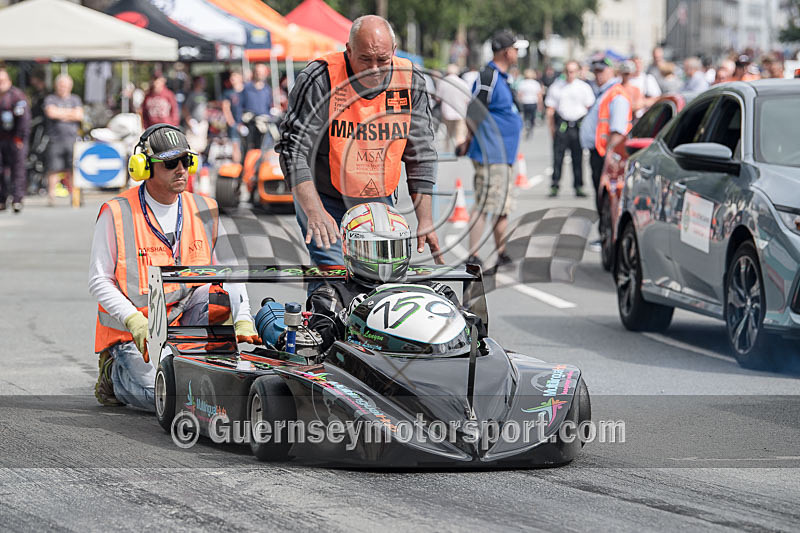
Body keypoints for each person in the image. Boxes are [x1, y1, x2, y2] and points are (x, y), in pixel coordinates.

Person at [89, 124, 258, 409]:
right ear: (143, 167)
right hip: (136, 334)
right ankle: (113, 374)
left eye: (185, 161)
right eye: (170, 163)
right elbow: (99, 280)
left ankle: (203, 363)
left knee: (222, 298)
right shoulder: (116, 212)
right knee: (160, 396)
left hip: (187, 320)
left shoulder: (205, 208)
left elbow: (230, 272)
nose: (181, 169)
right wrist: (133, 319)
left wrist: (243, 316)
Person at [277, 15, 441, 274]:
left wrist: (426, 219)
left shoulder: (409, 80)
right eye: (365, 59)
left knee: (378, 274)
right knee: (334, 275)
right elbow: (293, 149)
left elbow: (420, 152)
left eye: (382, 60)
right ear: (349, 50)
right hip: (324, 194)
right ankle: (324, 309)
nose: (374, 69)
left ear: (394, 53)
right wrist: (314, 210)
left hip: (378, 196)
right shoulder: (320, 78)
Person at [304, 202, 484, 352]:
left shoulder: (435, 291)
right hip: (368, 371)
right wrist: (346, 319)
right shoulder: (332, 296)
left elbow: (477, 332)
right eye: (373, 250)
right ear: (348, 248)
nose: (385, 259)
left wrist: (465, 323)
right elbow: (318, 345)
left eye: (393, 249)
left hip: (432, 364)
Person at [457, 30, 526, 267]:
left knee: (501, 205)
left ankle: (502, 252)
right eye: (516, 49)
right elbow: (473, 111)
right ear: (507, 52)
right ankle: (474, 256)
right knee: (486, 205)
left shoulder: (502, 77)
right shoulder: (489, 77)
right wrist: (469, 139)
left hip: (502, 155)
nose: (518, 53)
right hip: (492, 155)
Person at [579, 56, 631, 214]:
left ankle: (606, 236)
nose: (598, 75)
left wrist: (609, 157)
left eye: (602, 71)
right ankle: (604, 234)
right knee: (601, 197)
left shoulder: (616, 95)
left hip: (606, 155)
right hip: (600, 153)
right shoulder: (604, 92)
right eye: (596, 71)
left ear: (612, 71)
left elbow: (617, 131)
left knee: (607, 199)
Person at [544, 60, 595, 198]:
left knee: (578, 158)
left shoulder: (583, 87)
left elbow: (590, 109)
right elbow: (550, 109)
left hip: (578, 125)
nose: (570, 74)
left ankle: (578, 185)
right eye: (568, 71)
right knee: (558, 157)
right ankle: (555, 184)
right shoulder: (557, 87)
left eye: (573, 71)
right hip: (562, 125)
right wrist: (552, 129)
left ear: (578, 71)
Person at [44, 74, 83, 206]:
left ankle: (74, 196)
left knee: (72, 169)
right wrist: (69, 114)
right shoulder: (50, 98)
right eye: (61, 85)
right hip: (55, 139)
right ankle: (51, 196)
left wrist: (61, 114)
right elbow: (51, 112)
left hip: (72, 139)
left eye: (65, 85)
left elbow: (79, 115)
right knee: (53, 168)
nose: (63, 88)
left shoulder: (75, 99)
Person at [0, 68, 30, 213]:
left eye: (3, 81)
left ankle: (17, 199)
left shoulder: (17, 96)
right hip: (1, 139)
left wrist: (19, 137)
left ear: (9, 81)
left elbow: (24, 120)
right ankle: (2, 199)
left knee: (17, 170)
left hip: (15, 139)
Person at [436, 64, 470, 149]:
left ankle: (447, 151)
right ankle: (459, 151)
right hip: (460, 111)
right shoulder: (463, 83)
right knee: (460, 134)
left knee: (448, 134)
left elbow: (437, 98)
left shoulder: (443, 82)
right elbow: (468, 99)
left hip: (447, 112)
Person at [182, 75, 209, 154]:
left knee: (201, 146)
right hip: (193, 123)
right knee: (192, 147)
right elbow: (185, 108)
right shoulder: (191, 95)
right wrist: (190, 121)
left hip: (202, 123)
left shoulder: (204, 95)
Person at [222, 71, 244, 163]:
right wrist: (232, 123)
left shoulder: (246, 91)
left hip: (247, 122)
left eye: (235, 76)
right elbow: (225, 108)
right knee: (236, 146)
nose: (232, 79)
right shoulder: (228, 93)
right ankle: (237, 167)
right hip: (235, 124)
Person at [516, 69, 543, 139]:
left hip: (525, 102)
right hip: (533, 102)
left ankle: (527, 124)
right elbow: (539, 95)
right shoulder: (536, 84)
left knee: (526, 115)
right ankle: (530, 126)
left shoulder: (522, 83)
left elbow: (519, 94)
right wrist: (540, 104)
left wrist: (519, 101)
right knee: (532, 116)